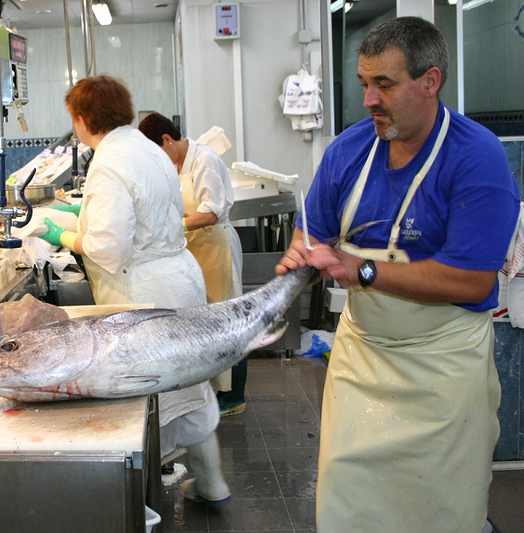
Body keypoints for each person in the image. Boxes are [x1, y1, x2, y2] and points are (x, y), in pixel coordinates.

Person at [275, 17, 520, 533]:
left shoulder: (477, 157)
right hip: (361, 362)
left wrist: (361, 268)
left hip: (444, 372)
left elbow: (472, 281)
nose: (368, 99)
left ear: (429, 82)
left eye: (383, 84)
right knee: (349, 507)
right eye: (364, 83)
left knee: (442, 512)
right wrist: (302, 262)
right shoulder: (347, 150)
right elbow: (313, 236)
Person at [39, 75, 231, 508]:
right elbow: (146, 210)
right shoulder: (145, 147)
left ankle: (134, 508)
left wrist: (63, 236)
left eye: (74, 118)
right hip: (180, 278)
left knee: (148, 397)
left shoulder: (108, 161)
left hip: (144, 291)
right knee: (189, 386)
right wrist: (82, 209)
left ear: (84, 118)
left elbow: (109, 248)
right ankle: (213, 484)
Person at [138, 112, 247, 417]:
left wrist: (174, 227)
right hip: (194, 247)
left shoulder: (205, 161)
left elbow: (210, 213)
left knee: (227, 318)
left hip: (215, 245)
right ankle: (214, 389)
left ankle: (234, 395)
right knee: (204, 320)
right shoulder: (175, 163)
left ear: (167, 140)